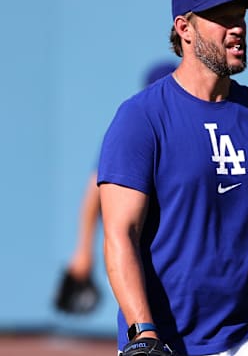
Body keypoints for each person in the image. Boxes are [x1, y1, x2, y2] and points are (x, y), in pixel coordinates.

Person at [98, 0, 248, 356]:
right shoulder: (141, 117)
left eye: (240, 17)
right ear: (185, 28)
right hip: (166, 338)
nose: (237, 29)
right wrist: (142, 330)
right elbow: (120, 234)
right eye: (221, 18)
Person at [55, 60, 177, 315]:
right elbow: (94, 195)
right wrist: (84, 251)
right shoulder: (135, 131)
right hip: (146, 249)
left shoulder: (191, 131)